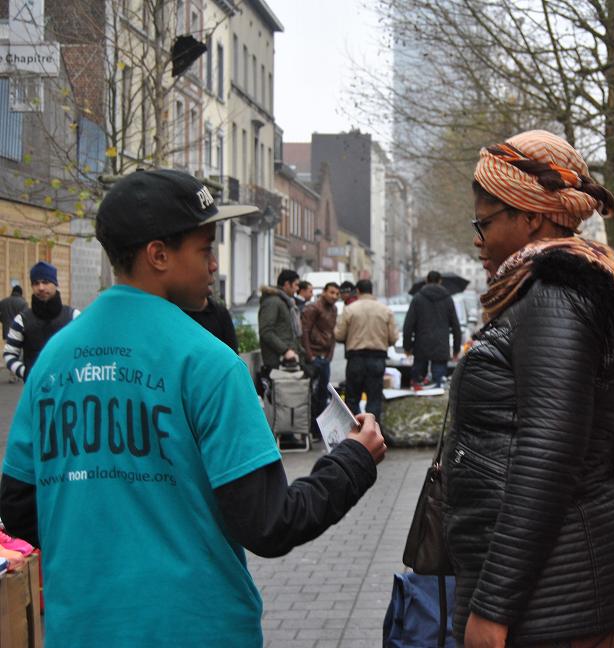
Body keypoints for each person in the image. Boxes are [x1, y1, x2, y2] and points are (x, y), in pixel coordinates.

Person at [0, 168, 386, 647]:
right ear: (158, 254)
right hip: (197, 627)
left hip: (81, 627)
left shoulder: (53, 363)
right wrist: (353, 459)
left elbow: (18, 506)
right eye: (204, 249)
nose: (213, 266)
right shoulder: (208, 363)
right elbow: (270, 524)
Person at [444, 130, 614, 647]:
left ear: (531, 216)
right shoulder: (545, 289)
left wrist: (492, 607)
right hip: (553, 587)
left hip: (557, 598)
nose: (477, 240)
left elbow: (548, 457)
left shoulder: (555, 296)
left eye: (484, 223)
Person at [3, 262, 80, 382]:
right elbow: (9, 354)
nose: (41, 287)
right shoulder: (22, 320)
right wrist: (27, 373)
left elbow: (87, 351)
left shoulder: (73, 317)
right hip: (35, 393)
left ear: (55, 284)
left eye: (45, 282)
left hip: (67, 391)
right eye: (36, 283)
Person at [334, 278, 396, 423]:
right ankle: (372, 431)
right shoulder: (385, 310)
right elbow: (393, 338)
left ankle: (355, 431)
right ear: (371, 291)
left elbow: (339, 335)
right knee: (374, 398)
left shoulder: (350, 310)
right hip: (377, 358)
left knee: (353, 398)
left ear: (358, 291)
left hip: (355, 358)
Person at [403, 270, 462, 388]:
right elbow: (456, 327)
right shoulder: (448, 299)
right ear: (440, 281)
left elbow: (408, 326)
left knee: (418, 386)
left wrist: (407, 347)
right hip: (441, 348)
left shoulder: (417, 298)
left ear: (426, 281)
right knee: (439, 386)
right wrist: (456, 349)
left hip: (420, 348)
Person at [302, 281, 341, 418]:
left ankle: (319, 428)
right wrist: (310, 355)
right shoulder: (313, 308)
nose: (334, 296)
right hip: (314, 356)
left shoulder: (334, 309)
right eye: (331, 292)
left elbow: (332, 333)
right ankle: (312, 427)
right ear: (324, 292)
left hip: (325, 357)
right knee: (313, 394)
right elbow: (305, 331)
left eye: (337, 293)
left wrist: (330, 354)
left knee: (323, 393)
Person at [258, 269, 302, 371]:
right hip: (278, 361)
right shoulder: (273, 302)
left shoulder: (285, 302)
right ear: (287, 284)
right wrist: (285, 351)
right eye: (296, 285)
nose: (297, 288)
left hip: (288, 360)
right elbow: (266, 331)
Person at [0, 285, 26, 382]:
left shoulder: (3, 302)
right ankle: (14, 374)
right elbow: (25, 318)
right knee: (19, 353)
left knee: (10, 352)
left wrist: (4, 322)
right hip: (19, 331)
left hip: (7, 330)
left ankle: (12, 375)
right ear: (20, 293)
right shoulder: (23, 303)